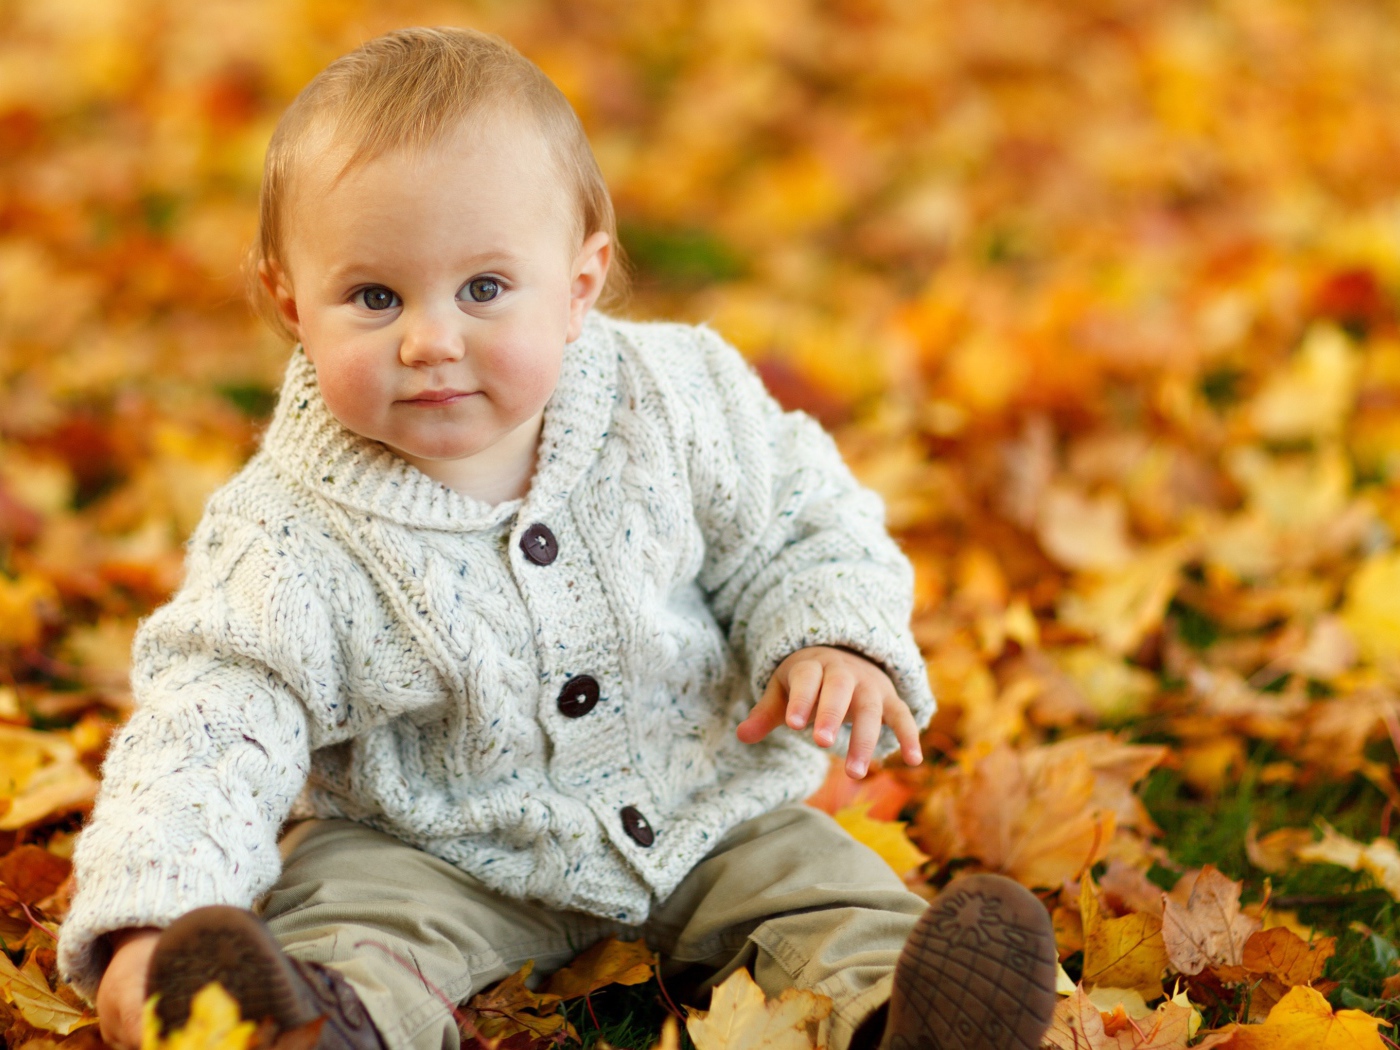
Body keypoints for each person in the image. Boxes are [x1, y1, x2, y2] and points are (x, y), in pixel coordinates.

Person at [57, 26, 1058, 1050]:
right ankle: (314, 1028)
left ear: (579, 283)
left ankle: (907, 1018)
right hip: (432, 848)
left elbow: (800, 521)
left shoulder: (675, 398)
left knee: (824, 892)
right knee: (353, 926)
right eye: (372, 297)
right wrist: (150, 919)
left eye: (483, 289)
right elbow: (213, 721)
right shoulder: (286, 531)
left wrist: (828, 635)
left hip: (702, 808)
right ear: (288, 301)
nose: (430, 339)